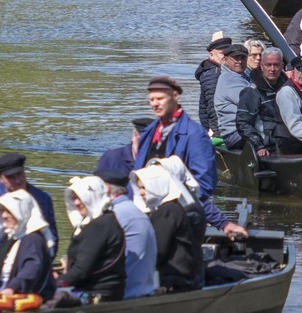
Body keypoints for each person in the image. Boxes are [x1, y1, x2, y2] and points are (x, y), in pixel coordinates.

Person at [133, 76, 247, 240]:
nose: (155, 104)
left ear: (174, 96)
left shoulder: (196, 135)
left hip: (180, 218)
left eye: (160, 98)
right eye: (151, 99)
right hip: (147, 212)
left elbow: (203, 186)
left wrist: (220, 221)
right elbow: (138, 174)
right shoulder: (149, 132)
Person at [130, 156, 206, 292]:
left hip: (176, 277)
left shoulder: (169, 211)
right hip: (187, 271)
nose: (141, 192)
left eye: (144, 187)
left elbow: (158, 250)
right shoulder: (172, 207)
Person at [57, 175, 125, 301]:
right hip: (107, 291)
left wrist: (55, 282)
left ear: (92, 197)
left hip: (97, 294)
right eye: (74, 198)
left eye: (80, 198)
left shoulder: (99, 226)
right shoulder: (106, 219)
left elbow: (81, 270)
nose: (76, 203)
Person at [0, 189, 55, 299]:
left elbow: (32, 267)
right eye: (3, 211)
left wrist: (13, 287)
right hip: (2, 289)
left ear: (21, 212)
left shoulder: (33, 239)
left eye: (9, 211)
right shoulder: (11, 237)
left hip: (19, 293)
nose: (4, 215)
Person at [0, 153, 57, 255]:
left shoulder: (42, 198)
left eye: (19, 174)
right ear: (1, 178)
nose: (17, 180)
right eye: (11, 177)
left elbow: (51, 234)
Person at [99, 170, 157, 299]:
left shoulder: (114, 214)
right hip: (144, 287)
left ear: (107, 188)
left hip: (126, 292)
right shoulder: (135, 210)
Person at [236, 47, 286, 157]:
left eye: (276, 65)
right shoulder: (251, 92)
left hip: (287, 142)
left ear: (282, 66)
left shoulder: (288, 88)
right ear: (262, 67)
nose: (272, 69)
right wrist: (258, 146)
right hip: (267, 146)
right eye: (268, 65)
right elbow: (243, 123)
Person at [214, 43, 251, 149]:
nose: (239, 61)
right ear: (226, 59)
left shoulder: (244, 74)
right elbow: (252, 103)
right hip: (235, 135)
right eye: (235, 58)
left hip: (243, 130)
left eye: (243, 58)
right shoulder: (230, 80)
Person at [194, 32, 232, 136]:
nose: (225, 56)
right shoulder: (213, 74)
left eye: (228, 53)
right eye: (222, 53)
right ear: (211, 54)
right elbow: (213, 105)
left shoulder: (220, 70)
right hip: (216, 129)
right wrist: (217, 131)